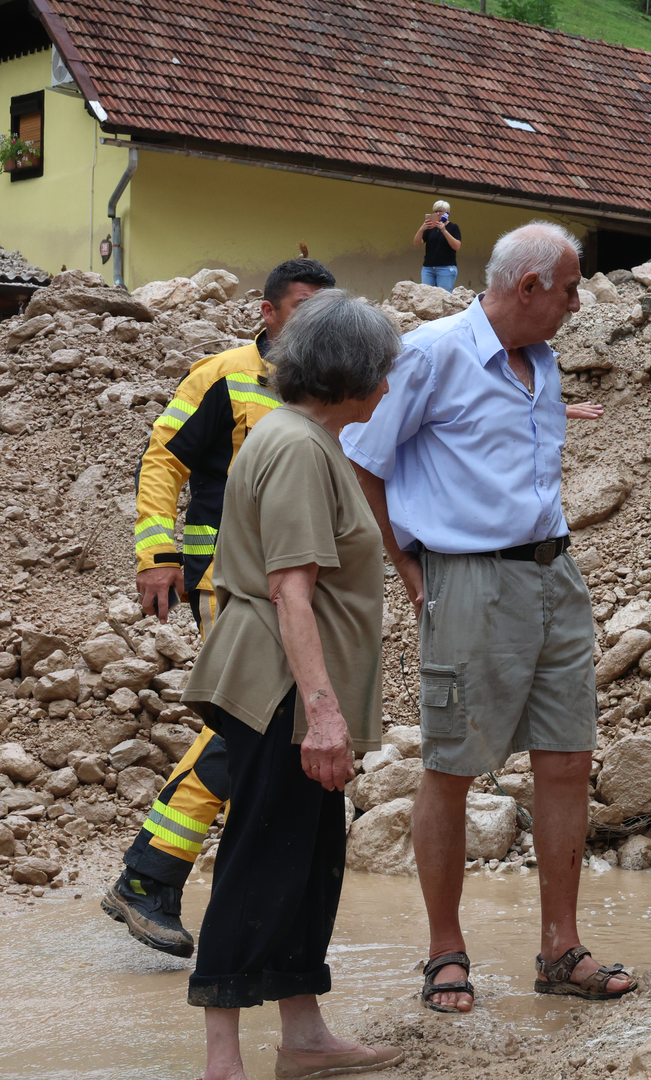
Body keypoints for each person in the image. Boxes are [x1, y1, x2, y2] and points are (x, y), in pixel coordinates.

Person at [343, 221, 636, 1012]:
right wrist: (410, 570)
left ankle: (560, 948)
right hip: (468, 579)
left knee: (567, 759)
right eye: (570, 288)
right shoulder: (431, 354)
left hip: (554, 575)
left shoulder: (542, 361)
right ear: (528, 286)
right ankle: (445, 951)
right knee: (453, 765)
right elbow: (364, 460)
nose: (578, 303)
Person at [179, 289, 402, 1080]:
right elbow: (290, 592)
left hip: (288, 690)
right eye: (381, 372)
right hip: (282, 690)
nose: (387, 386)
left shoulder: (304, 438)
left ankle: (304, 1035)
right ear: (348, 375)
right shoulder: (300, 448)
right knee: (262, 859)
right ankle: (222, 1059)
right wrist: (324, 716)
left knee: (307, 862)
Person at [103, 258, 336, 958]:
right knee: (245, 723)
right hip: (226, 581)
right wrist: (157, 553)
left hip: (293, 586)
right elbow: (162, 459)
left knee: (256, 726)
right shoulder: (225, 374)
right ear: (268, 312)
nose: (315, 325)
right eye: (302, 309)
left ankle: (169, 879)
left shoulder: (328, 384)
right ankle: (149, 877)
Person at [414, 200, 462, 291]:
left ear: (447, 212)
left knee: (443, 295)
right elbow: (417, 243)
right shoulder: (430, 228)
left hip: (446, 268)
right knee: (425, 294)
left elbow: (457, 246)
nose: (438, 213)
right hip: (428, 268)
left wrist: (444, 231)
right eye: (436, 211)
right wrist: (422, 229)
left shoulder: (453, 227)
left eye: (441, 211)